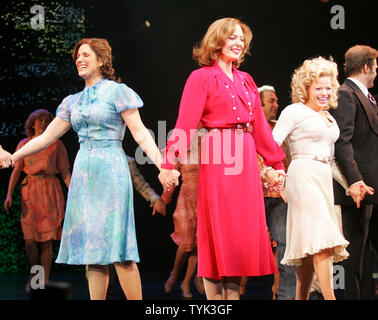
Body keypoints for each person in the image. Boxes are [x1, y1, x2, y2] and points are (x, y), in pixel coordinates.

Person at [9, 38, 179, 300]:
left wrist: (162, 166)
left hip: (110, 170)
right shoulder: (72, 101)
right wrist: (12, 157)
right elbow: (45, 139)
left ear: (101, 60)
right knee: (93, 251)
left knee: (119, 249)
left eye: (86, 55)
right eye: (77, 56)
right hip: (84, 175)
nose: (79, 59)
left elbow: (141, 134)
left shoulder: (118, 92)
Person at [159, 18, 286, 300]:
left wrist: (276, 164)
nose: (239, 43)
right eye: (232, 37)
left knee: (240, 238)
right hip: (218, 154)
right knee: (220, 233)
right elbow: (185, 124)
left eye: (242, 39)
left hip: (245, 156)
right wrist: (169, 162)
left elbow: (262, 130)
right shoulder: (201, 77)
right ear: (217, 41)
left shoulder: (246, 79)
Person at [272, 56, 350, 300]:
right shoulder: (294, 111)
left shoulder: (328, 118)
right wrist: (276, 175)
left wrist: (349, 185)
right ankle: (330, 298)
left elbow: (331, 159)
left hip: (323, 178)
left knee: (310, 247)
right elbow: (272, 145)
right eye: (319, 88)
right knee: (322, 241)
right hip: (303, 175)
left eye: (328, 88)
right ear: (305, 87)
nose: (325, 93)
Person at [3, 109, 71, 292]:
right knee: (30, 240)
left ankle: (44, 281)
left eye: (47, 120)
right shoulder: (24, 144)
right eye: (40, 120)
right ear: (32, 123)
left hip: (50, 192)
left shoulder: (57, 145)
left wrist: (74, 193)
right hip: (30, 193)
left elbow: (65, 172)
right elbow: (16, 171)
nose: (43, 123)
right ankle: (36, 276)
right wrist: (9, 194)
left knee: (47, 240)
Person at [329, 45, 378, 300]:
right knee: (354, 256)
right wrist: (356, 180)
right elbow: (342, 142)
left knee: (365, 258)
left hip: (369, 187)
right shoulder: (346, 94)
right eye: (376, 67)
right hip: (356, 189)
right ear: (366, 67)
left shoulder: (365, 96)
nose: (376, 72)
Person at [257, 85, 296, 300]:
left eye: (276, 100)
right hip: (253, 195)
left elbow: (285, 160)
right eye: (271, 101)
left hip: (278, 197)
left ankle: (286, 296)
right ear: (259, 103)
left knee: (285, 244)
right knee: (242, 246)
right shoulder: (249, 129)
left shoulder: (280, 128)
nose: (276, 105)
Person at [162, 131, 204, 299]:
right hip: (186, 199)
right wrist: (164, 199)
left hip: (205, 199)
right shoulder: (181, 148)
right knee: (186, 243)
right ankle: (175, 274)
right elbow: (170, 176)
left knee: (200, 243)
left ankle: (186, 281)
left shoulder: (210, 146)